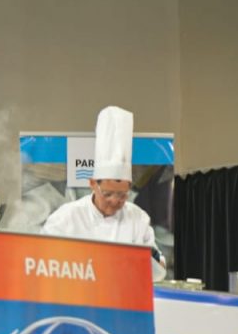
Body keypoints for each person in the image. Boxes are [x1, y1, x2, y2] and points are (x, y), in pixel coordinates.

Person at [42, 105, 165, 279]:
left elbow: (158, 268)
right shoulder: (66, 218)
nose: (114, 201)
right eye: (107, 194)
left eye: (122, 195)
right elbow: (43, 261)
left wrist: (150, 259)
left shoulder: (138, 219)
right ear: (93, 184)